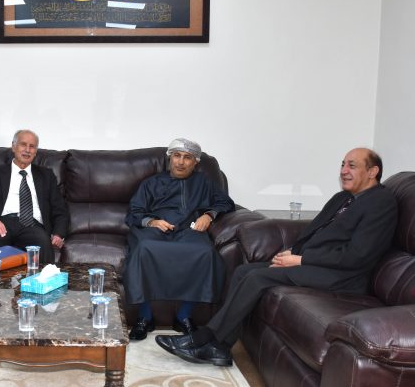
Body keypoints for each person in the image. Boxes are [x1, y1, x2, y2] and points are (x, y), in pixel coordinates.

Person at [157, 148, 398, 367]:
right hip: (317, 265)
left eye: (352, 166)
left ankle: (206, 338)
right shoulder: (342, 198)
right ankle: (219, 348)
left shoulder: (381, 202)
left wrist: (302, 260)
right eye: (342, 164)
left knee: (258, 278)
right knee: (243, 271)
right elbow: (313, 231)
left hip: (344, 277)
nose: (344, 171)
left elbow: (357, 255)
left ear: (372, 171)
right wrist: (294, 251)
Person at [124, 138, 236, 341]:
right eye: (176, 156)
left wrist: (208, 215)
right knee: (144, 248)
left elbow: (225, 202)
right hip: (155, 230)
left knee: (205, 253)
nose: (181, 162)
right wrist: (152, 222)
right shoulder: (151, 183)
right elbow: (134, 212)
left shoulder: (204, 183)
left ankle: (183, 316)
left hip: (188, 230)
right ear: (170, 158)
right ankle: (145, 317)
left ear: (196, 162)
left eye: (187, 157)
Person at [0, 129, 69, 287]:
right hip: (1, 224)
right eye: (23, 144)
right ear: (13, 147)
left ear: (36, 151)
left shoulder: (46, 176)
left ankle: (44, 299)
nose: (27, 150)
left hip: (33, 226)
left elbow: (60, 210)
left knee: (43, 245)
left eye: (32, 146)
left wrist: (59, 233)